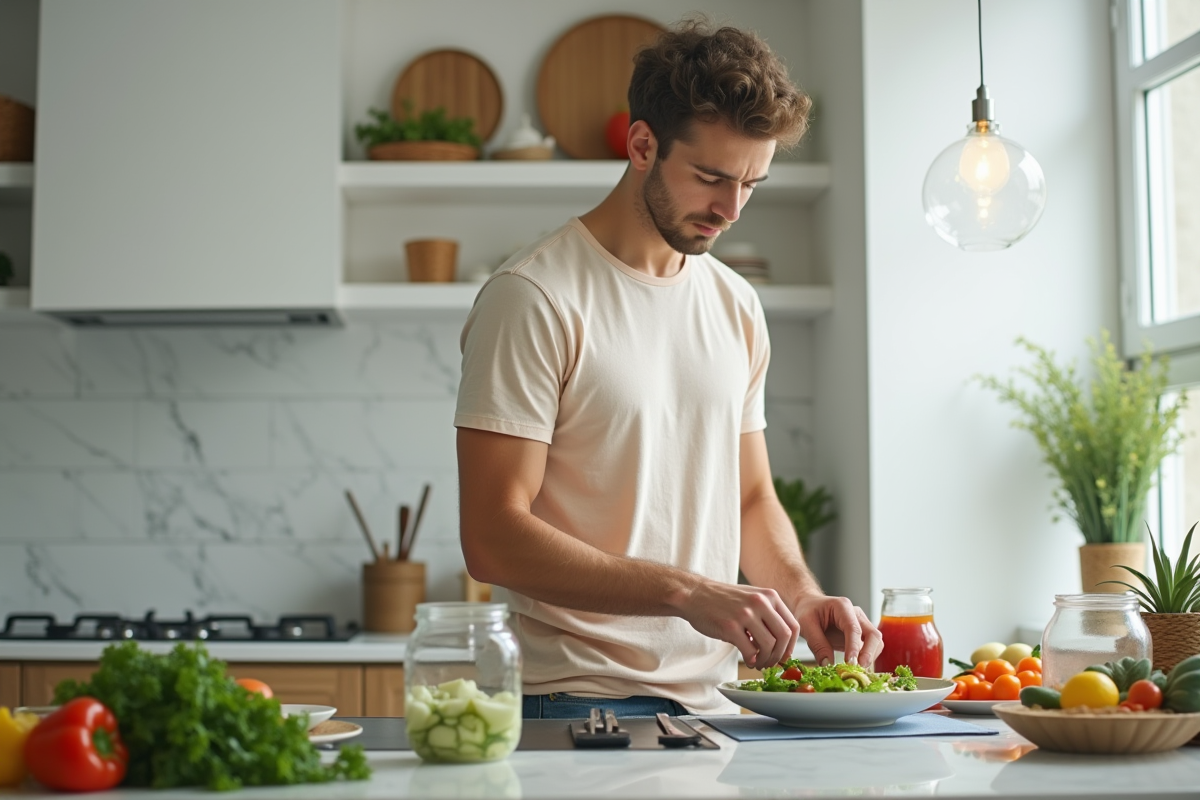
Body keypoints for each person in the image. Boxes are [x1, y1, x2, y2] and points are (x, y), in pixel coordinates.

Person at [455, 19, 882, 718]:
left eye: (752, 183)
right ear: (642, 144)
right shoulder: (534, 297)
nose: (731, 208)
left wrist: (803, 596)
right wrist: (688, 593)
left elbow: (749, 499)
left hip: (716, 708)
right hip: (577, 704)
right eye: (712, 177)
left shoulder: (735, 304)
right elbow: (493, 536)